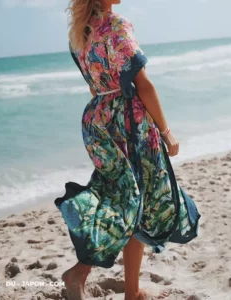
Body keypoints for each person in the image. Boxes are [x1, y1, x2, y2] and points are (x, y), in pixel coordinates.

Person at [54, 1, 201, 299]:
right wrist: (166, 132)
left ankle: (131, 292)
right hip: (129, 123)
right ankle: (78, 273)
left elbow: (95, 88)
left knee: (127, 199)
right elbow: (143, 84)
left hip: (98, 120)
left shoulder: (80, 32)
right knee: (133, 203)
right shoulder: (116, 25)